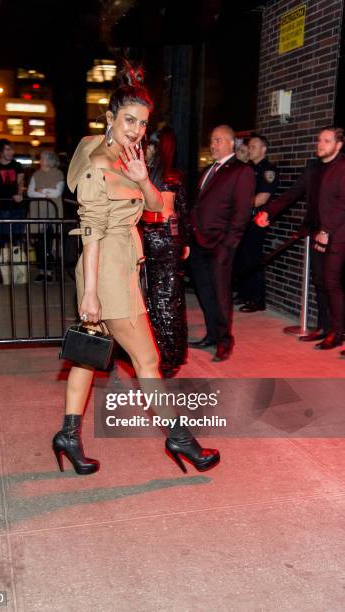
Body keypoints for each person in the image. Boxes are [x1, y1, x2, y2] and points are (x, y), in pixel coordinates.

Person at [52, 63, 220, 475]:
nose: (136, 130)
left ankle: (67, 436)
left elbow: (157, 208)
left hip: (121, 267)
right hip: (105, 271)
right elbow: (90, 232)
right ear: (109, 119)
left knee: (87, 357)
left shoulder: (120, 155)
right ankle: (180, 441)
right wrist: (91, 293)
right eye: (128, 120)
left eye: (143, 124)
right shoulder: (97, 164)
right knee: (147, 360)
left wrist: (144, 179)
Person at [255, 126, 345, 353]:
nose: (320, 144)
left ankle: (338, 332)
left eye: (326, 141)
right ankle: (324, 327)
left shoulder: (343, 168)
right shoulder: (313, 167)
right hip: (314, 231)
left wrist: (327, 230)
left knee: (332, 283)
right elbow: (293, 192)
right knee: (320, 283)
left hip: (337, 233)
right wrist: (268, 211)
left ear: (338, 144)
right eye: (319, 140)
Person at [188, 124, 256, 361]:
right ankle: (212, 335)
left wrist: (229, 244)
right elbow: (197, 206)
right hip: (198, 242)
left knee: (221, 293)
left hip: (220, 245)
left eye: (217, 140)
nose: (213, 144)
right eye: (212, 140)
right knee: (204, 292)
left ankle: (225, 341)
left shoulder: (241, 171)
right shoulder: (208, 170)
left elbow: (242, 212)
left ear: (230, 143)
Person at [139, 127, 189, 377]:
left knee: (163, 298)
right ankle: (171, 353)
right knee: (168, 297)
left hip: (158, 240)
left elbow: (167, 211)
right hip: (166, 240)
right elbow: (181, 213)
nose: (144, 149)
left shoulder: (162, 176)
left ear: (157, 148)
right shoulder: (169, 174)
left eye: (148, 145)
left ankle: (168, 357)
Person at [234, 133, 280, 312]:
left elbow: (262, 198)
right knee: (242, 257)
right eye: (249, 146)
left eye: (253, 147)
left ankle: (257, 299)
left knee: (253, 258)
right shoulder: (247, 168)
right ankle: (245, 293)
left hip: (256, 220)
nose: (249, 150)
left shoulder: (268, 170)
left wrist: (240, 204)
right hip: (244, 218)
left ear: (263, 149)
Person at [27, 150, 65, 283]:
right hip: (37, 213)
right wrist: (46, 192)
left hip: (52, 214)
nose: (40, 161)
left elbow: (57, 192)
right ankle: (41, 271)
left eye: (42, 158)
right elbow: (31, 193)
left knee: (48, 243)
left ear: (49, 160)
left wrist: (40, 190)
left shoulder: (58, 174)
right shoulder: (35, 175)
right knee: (39, 244)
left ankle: (48, 272)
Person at [0, 139, 25, 246]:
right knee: (2, 239)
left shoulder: (17, 165)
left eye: (12, 149)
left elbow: (21, 182)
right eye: (7, 149)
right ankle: (3, 261)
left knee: (16, 238)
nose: (11, 152)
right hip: (0, 206)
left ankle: (15, 260)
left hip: (16, 207)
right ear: (0, 151)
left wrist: (20, 193)